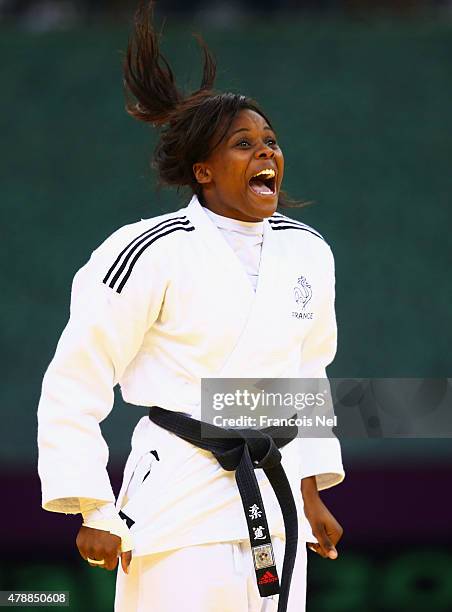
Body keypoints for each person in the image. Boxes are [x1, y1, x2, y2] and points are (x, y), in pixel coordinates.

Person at [37, 2, 345, 611]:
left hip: (274, 495)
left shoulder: (307, 251)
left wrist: (311, 490)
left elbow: (307, 375)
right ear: (203, 171)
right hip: (176, 498)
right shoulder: (148, 250)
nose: (266, 154)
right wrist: (92, 503)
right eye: (243, 145)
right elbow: (78, 377)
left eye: (271, 143)